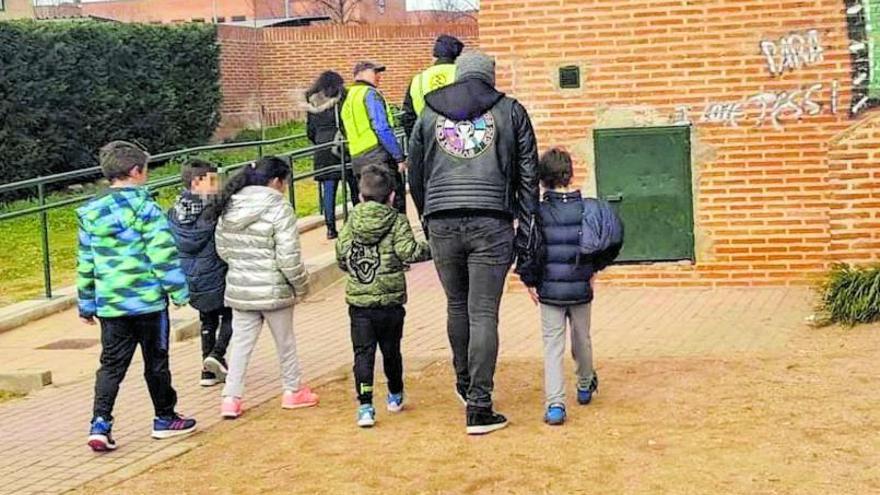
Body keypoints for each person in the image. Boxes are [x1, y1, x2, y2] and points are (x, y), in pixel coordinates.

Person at [408, 51, 540, 435]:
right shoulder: (511, 111)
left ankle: (464, 384)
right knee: (483, 312)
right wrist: (525, 229)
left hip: (441, 219)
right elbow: (527, 177)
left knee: (456, 304)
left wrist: (428, 215)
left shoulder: (428, 114)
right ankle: (480, 407)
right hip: (492, 220)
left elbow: (415, 174)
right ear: (490, 77)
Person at [78, 141, 197, 452]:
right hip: (148, 303)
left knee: (111, 364)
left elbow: (86, 262)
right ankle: (164, 416)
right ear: (135, 171)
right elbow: (162, 254)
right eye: (145, 170)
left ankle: (100, 422)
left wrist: (87, 302)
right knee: (156, 361)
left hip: (111, 304)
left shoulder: (90, 214)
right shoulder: (147, 210)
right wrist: (178, 290)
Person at [214, 156, 318, 419]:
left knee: (240, 344)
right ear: (276, 181)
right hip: (274, 288)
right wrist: (302, 287)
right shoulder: (279, 208)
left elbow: (223, 248)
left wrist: (243, 268)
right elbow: (288, 258)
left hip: (241, 287)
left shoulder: (229, 205)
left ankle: (231, 397)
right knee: (285, 342)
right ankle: (293, 390)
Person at [335, 165, 432, 428]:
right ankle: (395, 394)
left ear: (360, 195)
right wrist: (432, 247)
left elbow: (342, 255)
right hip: (390, 302)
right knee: (391, 351)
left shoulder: (351, 221)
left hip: (359, 303)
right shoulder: (397, 220)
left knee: (362, 353)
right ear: (391, 196)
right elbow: (409, 252)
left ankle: (365, 405)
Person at [524, 148, 600, 426]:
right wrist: (592, 274)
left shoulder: (538, 212)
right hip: (580, 284)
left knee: (552, 346)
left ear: (542, 179)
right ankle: (584, 382)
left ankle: (555, 404)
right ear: (570, 174)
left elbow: (530, 249)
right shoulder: (586, 208)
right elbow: (595, 247)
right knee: (583, 339)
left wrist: (530, 281)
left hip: (549, 289)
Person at [167, 159, 232, 388]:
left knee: (207, 317)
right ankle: (217, 353)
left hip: (192, 275)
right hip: (216, 270)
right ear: (197, 182)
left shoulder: (173, 213)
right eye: (212, 180)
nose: (217, 185)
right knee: (232, 313)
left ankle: (207, 371)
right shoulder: (212, 210)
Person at [340, 61, 407, 214]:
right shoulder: (370, 93)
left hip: (357, 158)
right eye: (374, 72)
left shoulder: (347, 97)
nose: (378, 76)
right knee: (392, 204)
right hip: (378, 157)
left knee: (367, 207)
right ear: (360, 74)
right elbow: (381, 127)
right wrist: (398, 157)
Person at [305, 70, 360, 240]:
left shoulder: (313, 100)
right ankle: (356, 223)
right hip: (342, 144)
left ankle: (330, 228)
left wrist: (319, 140)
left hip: (322, 146)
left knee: (328, 189)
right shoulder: (343, 97)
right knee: (353, 185)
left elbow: (310, 129)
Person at [400, 34, 465, 139]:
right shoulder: (464, 74)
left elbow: (408, 117)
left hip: (428, 137)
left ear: (434, 56)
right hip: (459, 137)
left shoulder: (418, 79)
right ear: (457, 56)